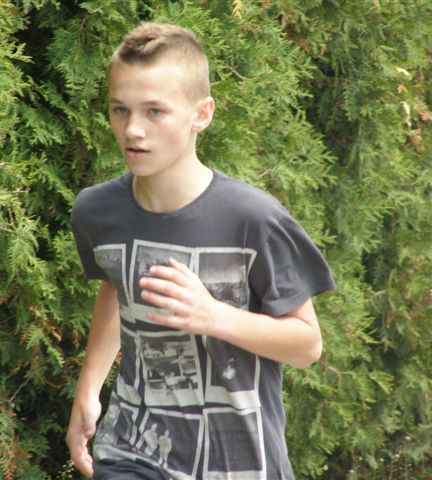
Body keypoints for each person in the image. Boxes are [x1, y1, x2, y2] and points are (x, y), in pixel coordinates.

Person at [66, 22, 336, 480]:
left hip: (238, 463)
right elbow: (117, 286)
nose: (133, 129)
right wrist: (88, 388)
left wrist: (214, 316)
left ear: (202, 114)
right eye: (119, 109)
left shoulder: (254, 219)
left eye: (155, 111)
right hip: (133, 450)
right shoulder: (97, 211)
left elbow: (307, 344)